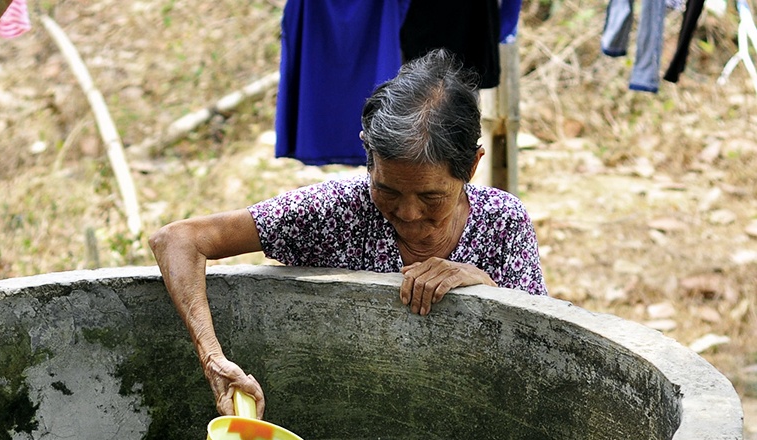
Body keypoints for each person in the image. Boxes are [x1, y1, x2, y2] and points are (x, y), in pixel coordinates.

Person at [149, 48, 547, 419]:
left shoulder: (502, 222)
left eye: (431, 196)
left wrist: (485, 287)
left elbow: (541, 355)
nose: (408, 213)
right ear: (368, 159)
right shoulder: (339, 209)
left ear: (472, 166)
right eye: (387, 190)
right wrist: (212, 357)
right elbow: (177, 240)